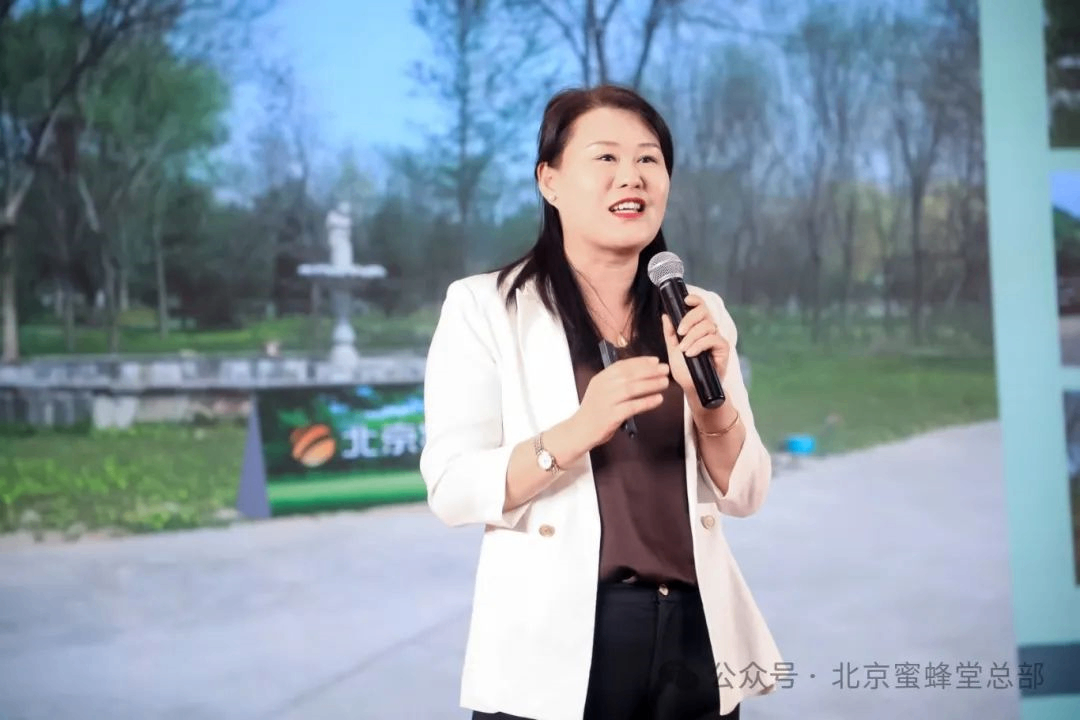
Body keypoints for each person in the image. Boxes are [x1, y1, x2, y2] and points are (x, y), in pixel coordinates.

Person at [419, 84, 783, 720]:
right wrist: (579, 428)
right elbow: (452, 488)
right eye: (606, 158)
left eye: (649, 159)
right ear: (550, 181)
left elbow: (745, 494)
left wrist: (711, 406)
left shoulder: (699, 311)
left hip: (693, 633)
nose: (632, 176)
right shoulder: (486, 307)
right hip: (558, 642)